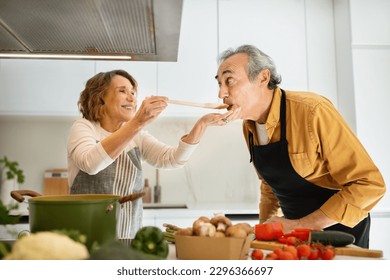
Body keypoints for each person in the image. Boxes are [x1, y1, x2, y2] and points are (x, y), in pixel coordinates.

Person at [215, 44, 385, 248]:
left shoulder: (312, 110)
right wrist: (265, 233)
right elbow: (270, 187)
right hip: (296, 235)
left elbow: (369, 185)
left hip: (342, 234)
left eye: (229, 80)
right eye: (219, 84)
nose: (221, 93)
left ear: (262, 78)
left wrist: (299, 225)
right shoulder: (248, 126)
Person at [67, 69, 239, 239]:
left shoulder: (137, 135)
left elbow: (173, 159)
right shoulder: (84, 127)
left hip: (128, 237)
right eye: (122, 91)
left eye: (133, 92)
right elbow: (90, 164)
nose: (132, 98)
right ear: (100, 97)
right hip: (85, 237)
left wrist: (202, 124)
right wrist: (137, 122)